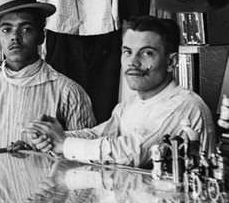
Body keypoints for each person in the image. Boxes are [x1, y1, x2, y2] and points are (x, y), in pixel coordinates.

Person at [29, 16, 214, 167]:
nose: (133, 62)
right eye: (127, 52)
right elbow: (98, 135)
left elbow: (133, 152)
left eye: (147, 53)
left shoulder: (186, 106)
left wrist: (63, 143)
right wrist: (52, 136)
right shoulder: (130, 104)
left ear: (172, 62)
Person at [0, 0, 94, 151]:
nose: (15, 37)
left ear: (41, 36)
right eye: (6, 30)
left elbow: (85, 159)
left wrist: (40, 151)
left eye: (26, 29)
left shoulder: (68, 92)